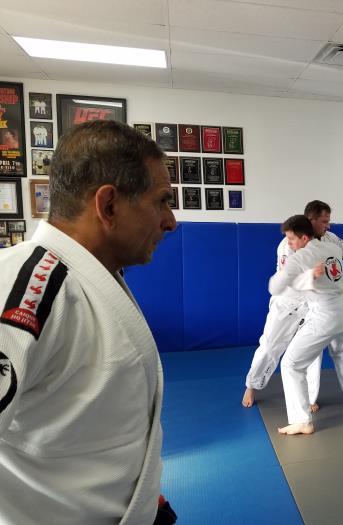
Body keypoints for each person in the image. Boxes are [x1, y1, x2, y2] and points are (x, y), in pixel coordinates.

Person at [0, 120, 177, 524]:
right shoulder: (25, 291)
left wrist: (136, 487)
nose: (170, 222)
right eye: (162, 201)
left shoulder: (85, 278)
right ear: (109, 205)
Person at [242, 200, 343, 408]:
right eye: (324, 221)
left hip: (313, 304)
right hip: (287, 302)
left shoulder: (329, 238)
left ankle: (309, 399)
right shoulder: (290, 244)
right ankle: (252, 385)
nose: (328, 225)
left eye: (328, 221)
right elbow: (286, 281)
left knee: (312, 354)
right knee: (270, 346)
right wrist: (311, 275)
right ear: (310, 221)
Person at [269, 215, 343, 435]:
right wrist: (309, 276)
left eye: (291, 239)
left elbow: (275, 287)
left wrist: (304, 276)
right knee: (337, 349)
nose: (288, 244)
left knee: (291, 363)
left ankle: (302, 421)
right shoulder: (333, 248)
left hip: (324, 317)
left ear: (304, 238)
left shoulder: (300, 256)